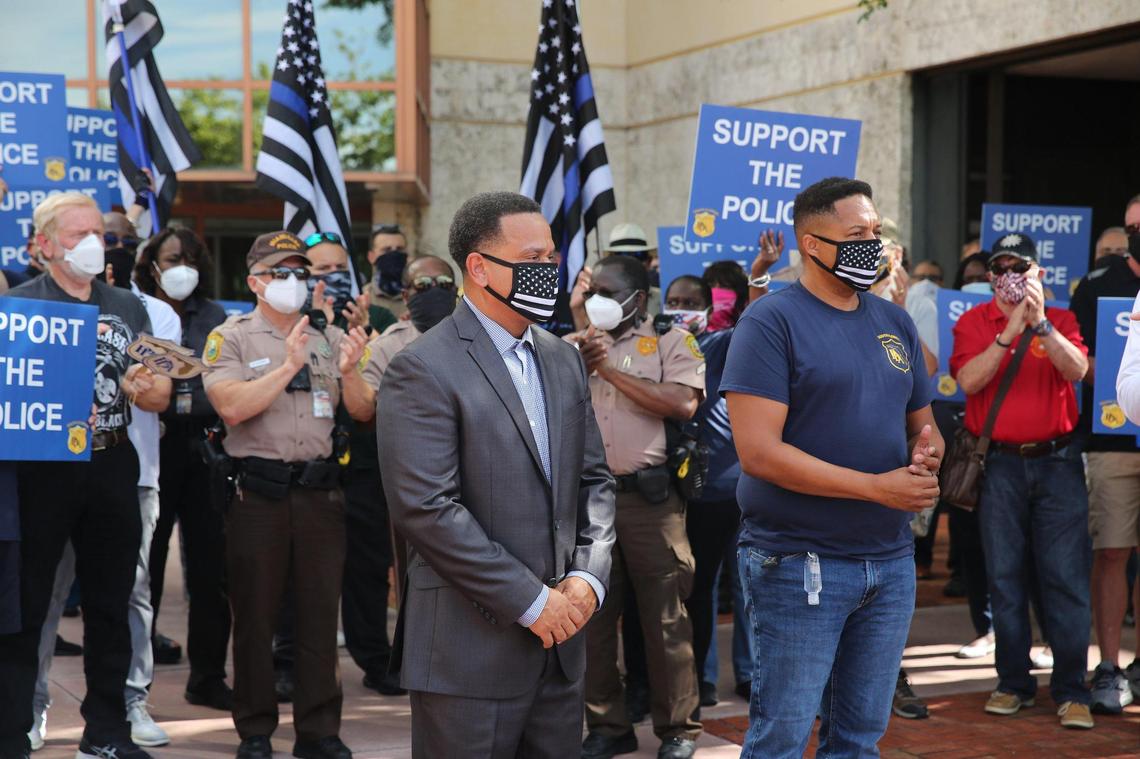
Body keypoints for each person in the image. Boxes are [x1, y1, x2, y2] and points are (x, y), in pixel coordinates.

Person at [376, 191, 615, 759]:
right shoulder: (423, 366)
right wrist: (533, 602)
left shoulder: (561, 357)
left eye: (552, 258)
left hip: (561, 648)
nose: (548, 272)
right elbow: (427, 509)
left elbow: (596, 482)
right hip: (469, 654)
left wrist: (587, 579)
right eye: (532, 259)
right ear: (479, 268)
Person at [722, 177, 943, 757]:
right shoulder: (771, 322)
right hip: (800, 563)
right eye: (857, 235)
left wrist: (927, 452)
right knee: (783, 736)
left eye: (876, 232)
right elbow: (759, 453)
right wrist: (876, 488)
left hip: (889, 565)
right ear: (811, 244)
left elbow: (923, 422)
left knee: (859, 738)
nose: (872, 244)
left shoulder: (893, 322)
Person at [1, 192, 171, 759]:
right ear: (44, 245)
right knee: (27, 605)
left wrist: (150, 390)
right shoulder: (20, 306)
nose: (93, 243)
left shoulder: (129, 304)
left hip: (111, 463)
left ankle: (106, 732)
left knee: (110, 602)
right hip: (40, 471)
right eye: (77, 235)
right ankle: (14, 728)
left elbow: (161, 384)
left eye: (97, 231)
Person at [202, 231, 371, 759]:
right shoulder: (230, 337)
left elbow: (363, 411)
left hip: (320, 494)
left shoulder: (328, 335)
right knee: (255, 615)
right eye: (282, 273)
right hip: (259, 495)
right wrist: (288, 366)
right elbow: (230, 406)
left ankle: (319, 731)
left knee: (321, 616)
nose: (295, 283)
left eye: (301, 273)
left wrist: (348, 372)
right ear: (255, 281)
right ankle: (255, 730)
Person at [950, 232, 1093, 729]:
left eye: (1020, 267)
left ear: (1038, 274)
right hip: (1001, 466)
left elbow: (1076, 371)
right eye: (1001, 268)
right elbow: (968, 381)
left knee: (1066, 578)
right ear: (990, 276)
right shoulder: (973, 322)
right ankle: (1013, 682)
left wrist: (1042, 326)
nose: (1009, 276)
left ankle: (1073, 689)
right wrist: (1010, 329)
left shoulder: (1065, 319)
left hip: (1058, 462)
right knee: (1005, 577)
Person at [571, 254, 704, 759]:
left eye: (608, 291)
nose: (597, 301)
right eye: (592, 291)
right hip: (588, 503)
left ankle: (679, 730)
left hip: (651, 503)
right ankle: (608, 726)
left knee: (667, 620)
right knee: (593, 621)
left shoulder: (670, 340)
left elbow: (682, 403)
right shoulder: (569, 347)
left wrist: (607, 370)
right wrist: (577, 363)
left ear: (638, 299)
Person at [342, 253, 458, 699]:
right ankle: (384, 659)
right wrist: (350, 372)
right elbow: (362, 408)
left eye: (443, 283)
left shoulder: (479, 337)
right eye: (423, 285)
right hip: (396, 476)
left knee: (452, 570)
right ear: (406, 297)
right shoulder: (389, 344)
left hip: (459, 476)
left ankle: (445, 657)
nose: (435, 291)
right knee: (387, 569)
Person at [135, 227, 233, 711]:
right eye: (174, 259)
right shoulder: (138, 312)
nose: (183, 268)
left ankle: (208, 677)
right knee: (144, 569)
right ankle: (137, 682)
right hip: (154, 447)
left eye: (192, 259)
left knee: (211, 570)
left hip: (205, 450)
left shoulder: (214, 316)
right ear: (153, 264)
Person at [664, 273, 754, 709]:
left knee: (747, 587)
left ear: (706, 309)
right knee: (699, 589)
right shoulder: (656, 345)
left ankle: (751, 676)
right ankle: (703, 680)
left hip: (732, 488)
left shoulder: (717, 344)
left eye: (689, 301)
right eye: (673, 300)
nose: (680, 308)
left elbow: (755, 324)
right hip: (687, 491)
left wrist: (757, 276)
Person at [364, 223, 409, 332]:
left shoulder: (418, 296)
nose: (394, 254)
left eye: (399, 249)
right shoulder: (363, 297)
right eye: (387, 250)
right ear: (371, 257)